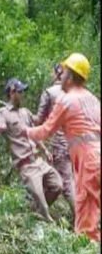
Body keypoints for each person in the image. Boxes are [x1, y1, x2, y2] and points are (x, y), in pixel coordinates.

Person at [25, 53, 100, 242]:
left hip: (88, 159)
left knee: (86, 214)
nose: (61, 76)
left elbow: (44, 131)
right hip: (96, 155)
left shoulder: (66, 100)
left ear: (71, 76)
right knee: (92, 207)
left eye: (64, 72)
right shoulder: (93, 100)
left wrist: (24, 131)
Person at [0, 78, 62, 222]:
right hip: (26, 165)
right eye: (20, 92)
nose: (23, 95)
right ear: (12, 92)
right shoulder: (3, 113)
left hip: (38, 161)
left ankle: (35, 212)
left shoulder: (26, 112)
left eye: (23, 91)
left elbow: (34, 134)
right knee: (44, 206)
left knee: (57, 185)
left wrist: (45, 149)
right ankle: (44, 216)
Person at [32, 63, 76, 217]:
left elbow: (38, 120)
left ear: (56, 74)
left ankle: (82, 222)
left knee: (66, 185)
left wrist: (25, 114)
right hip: (75, 144)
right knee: (55, 177)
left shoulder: (50, 93)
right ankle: (37, 207)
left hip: (58, 145)